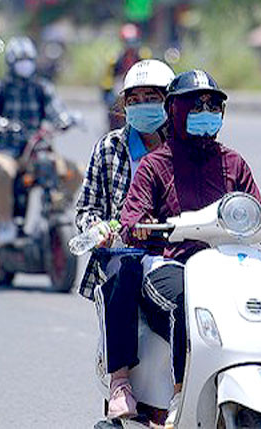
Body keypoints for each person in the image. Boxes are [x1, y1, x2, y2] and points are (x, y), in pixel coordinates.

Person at [118, 69, 261, 426]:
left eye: (213, 105)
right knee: (184, 299)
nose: (205, 111)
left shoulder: (233, 163)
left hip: (227, 265)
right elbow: (132, 218)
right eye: (196, 105)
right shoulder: (154, 165)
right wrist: (141, 228)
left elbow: (258, 213)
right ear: (175, 110)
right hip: (170, 264)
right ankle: (181, 390)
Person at [75, 59, 175, 419]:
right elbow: (85, 210)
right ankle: (120, 381)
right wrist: (100, 230)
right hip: (123, 250)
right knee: (125, 269)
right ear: (124, 105)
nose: (145, 104)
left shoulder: (187, 150)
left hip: (174, 250)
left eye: (154, 96)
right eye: (137, 98)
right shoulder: (108, 149)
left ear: (171, 102)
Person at [0, 36, 73, 246]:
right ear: (10, 63)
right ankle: (6, 224)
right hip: (5, 151)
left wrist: (66, 119)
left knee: (74, 172)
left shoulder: (42, 88)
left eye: (28, 59)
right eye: (20, 60)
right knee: (2, 172)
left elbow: (58, 111)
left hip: (34, 151)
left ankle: (56, 213)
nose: (25, 65)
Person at [101, 23, 144, 130]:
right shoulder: (115, 59)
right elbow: (108, 80)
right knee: (113, 107)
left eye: (133, 42)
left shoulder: (143, 56)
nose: (130, 46)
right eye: (128, 42)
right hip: (120, 88)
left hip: (139, 86)